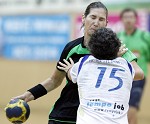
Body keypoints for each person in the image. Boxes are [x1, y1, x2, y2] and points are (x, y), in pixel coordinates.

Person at [12, 2, 144, 124]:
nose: (96, 22)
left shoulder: (116, 47)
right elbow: (54, 80)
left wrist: (112, 58)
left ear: (106, 23)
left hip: (97, 115)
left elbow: (138, 73)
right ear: (83, 18)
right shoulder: (72, 48)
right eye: (93, 17)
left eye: (101, 19)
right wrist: (30, 94)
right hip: (65, 114)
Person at [57, 27, 136, 124]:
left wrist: (69, 69)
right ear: (116, 47)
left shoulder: (84, 63)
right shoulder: (127, 66)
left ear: (92, 47)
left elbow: (71, 75)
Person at [117, 8, 150, 124]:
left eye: (131, 17)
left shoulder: (145, 37)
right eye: (125, 17)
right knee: (121, 112)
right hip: (120, 79)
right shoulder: (117, 37)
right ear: (121, 19)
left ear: (136, 19)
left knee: (131, 111)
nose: (128, 20)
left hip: (138, 78)